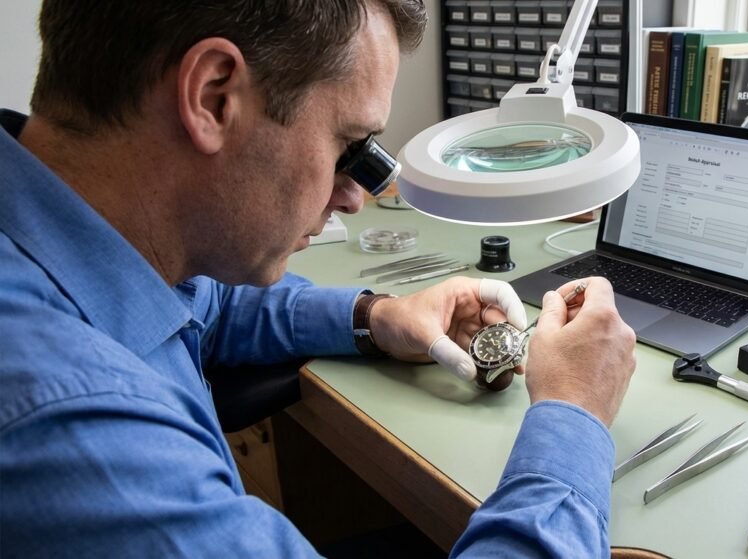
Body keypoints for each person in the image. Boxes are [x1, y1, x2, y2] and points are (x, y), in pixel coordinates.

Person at [0, 1, 637, 557]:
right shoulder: (75, 431)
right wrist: (572, 414)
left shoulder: (78, 242)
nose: (356, 197)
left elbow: (200, 308)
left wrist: (377, 317)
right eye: (348, 144)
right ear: (214, 96)